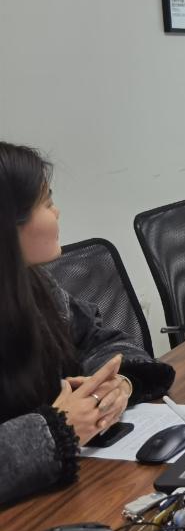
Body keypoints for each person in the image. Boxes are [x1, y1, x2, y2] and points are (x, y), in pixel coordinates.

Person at [0, 142, 174, 505]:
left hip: (67, 491)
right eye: (46, 202)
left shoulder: (35, 285)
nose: (57, 211)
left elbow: (99, 338)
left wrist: (116, 384)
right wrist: (56, 430)